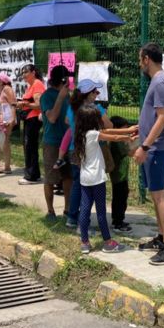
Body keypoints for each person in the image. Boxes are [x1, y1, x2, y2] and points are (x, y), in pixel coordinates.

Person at [135, 43, 164, 266]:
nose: (138, 63)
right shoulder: (158, 81)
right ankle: (161, 238)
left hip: (156, 148)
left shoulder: (160, 81)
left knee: (160, 195)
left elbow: (163, 118)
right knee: (154, 194)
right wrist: (141, 127)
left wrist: (144, 146)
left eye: (140, 58)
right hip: (153, 146)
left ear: (147, 59)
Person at [74, 104, 135, 255]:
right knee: (101, 210)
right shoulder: (94, 134)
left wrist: (129, 129)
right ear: (92, 121)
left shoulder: (81, 134)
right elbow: (112, 136)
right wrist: (129, 137)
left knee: (85, 209)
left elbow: (108, 131)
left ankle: (84, 242)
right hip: (96, 179)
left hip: (85, 179)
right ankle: (107, 242)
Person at [59, 80, 112, 228]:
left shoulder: (72, 108)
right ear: (88, 94)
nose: (97, 94)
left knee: (77, 184)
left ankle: (72, 217)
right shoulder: (96, 109)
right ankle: (84, 223)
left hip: (73, 150)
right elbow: (109, 126)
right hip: (89, 152)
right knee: (88, 190)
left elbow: (67, 121)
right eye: (95, 92)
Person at [39, 65, 72, 221]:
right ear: (63, 80)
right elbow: (51, 117)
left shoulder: (68, 96)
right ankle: (51, 211)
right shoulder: (47, 96)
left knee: (68, 176)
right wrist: (60, 97)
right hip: (52, 142)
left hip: (67, 142)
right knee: (51, 178)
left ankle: (67, 209)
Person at [16, 64, 46, 185]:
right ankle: (34, 173)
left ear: (33, 72)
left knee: (30, 146)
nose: (24, 75)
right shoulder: (31, 85)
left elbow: (39, 104)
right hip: (29, 119)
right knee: (29, 146)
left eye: (26, 72)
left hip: (33, 119)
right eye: (22, 72)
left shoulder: (37, 84)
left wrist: (25, 104)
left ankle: (31, 176)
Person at [109, 116, 133, 233]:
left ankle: (119, 220)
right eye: (125, 129)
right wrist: (141, 141)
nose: (127, 131)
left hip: (121, 175)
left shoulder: (119, 141)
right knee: (120, 198)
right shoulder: (117, 142)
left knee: (122, 196)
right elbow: (130, 152)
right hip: (119, 175)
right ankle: (118, 222)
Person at [0, 73, 16, 174]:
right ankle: (4, 164)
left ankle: (7, 166)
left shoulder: (7, 89)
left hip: (7, 120)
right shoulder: (2, 91)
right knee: (2, 142)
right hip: (3, 120)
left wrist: (12, 119)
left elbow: (13, 104)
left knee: (5, 142)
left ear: (1, 81)